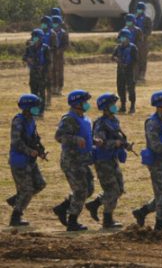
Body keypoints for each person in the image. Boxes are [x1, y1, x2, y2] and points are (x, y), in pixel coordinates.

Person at [132, 91, 162, 231]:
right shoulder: (153, 122)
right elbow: (154, 144)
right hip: (157, 162)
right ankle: (160, 225)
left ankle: (142, 212)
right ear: (160, 104)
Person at [54, 90, 96, 231]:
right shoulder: (69, 119)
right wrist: (75, 139)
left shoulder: (85, 119)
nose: (86, 104)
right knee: (81, 191)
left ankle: (63, 207)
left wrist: (95, 141)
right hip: (72, 162)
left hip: (83, 161)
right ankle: (72, 221)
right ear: (77, 104)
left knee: (89, 189)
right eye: (84, 102)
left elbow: (86, 136)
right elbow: (59, 136)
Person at [86, 93, 126, 229]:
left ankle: (95, 204)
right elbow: (100, 143)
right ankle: (107, 220)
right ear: (105, 107)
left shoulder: (114, 121)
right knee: (112, 190)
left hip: (112, 158)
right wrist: (114, 143)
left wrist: (124, 144)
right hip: (103, 160)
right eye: (112, 105)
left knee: (120, 189)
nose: (115, 107)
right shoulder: (101, 123)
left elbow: (118, 137)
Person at [7, 94, 47, 227]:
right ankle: (16, 217)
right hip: (19, 161)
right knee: (28, 190)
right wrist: (30, 151)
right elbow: (16, 142)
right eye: (35, 106)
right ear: (27, 107)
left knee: (40, 184)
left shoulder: (31, 120)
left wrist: (40, 151)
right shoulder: (19, 121)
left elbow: (35, 139)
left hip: (30, 160)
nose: (37, 108)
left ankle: (17, 199)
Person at [23, 29, 51, 116]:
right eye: (33, 36)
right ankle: (34, 110)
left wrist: (44, 70)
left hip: (42, 75)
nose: (34, 38)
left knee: (41, 94)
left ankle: (41, 111)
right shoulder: (29, 48)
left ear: (41, 38)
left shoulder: (45, 48)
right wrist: (28, 59)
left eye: (36, 37)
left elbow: (49, 61)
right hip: (33, 74)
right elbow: (24, 57)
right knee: (33, 92)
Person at [111, 29, 138, 114]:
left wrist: (129, 64)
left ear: (128, 38)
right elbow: (112, 57)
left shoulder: (133, 48)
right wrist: (116, 59)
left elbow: (136, 59)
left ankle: (132, 106)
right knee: (121, 88)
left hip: (129, 71)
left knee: (131, 89)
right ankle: (123, 105)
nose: (122, 39)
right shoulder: (118, 47)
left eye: (124, 38)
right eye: (121, 38)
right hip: (120, 71)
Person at [40, 16, 58, 107]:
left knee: (48, 81)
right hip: (39, 61)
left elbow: (55, 47)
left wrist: (46, 49)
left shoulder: (52, 34)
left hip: (48, 61)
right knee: (39, 81)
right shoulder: (39, 33)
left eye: (44, 23)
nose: (43, 25)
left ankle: (48, 100)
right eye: (42, 23)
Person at [134, 2, 153, 82]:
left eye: (140, 9)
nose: (139, 10)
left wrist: (142, 35)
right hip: (134, 41)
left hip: (143, 42)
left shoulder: (147, 19)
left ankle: (142, 75)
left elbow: (149, 31)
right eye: (138, 9)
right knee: (135, 59)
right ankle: (135, 75)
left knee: (143, 59)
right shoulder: (134, 18)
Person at [51, 15, 69, 96]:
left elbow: (66, 45)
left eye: (56, 24)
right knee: (52, 72)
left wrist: (60, 50)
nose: (55, 25)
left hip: (59, 56)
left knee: (59, 72)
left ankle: (59, 88)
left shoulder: (63, 33)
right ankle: (52, 87)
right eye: (53, 23)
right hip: (51, 55)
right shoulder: (50, 33)